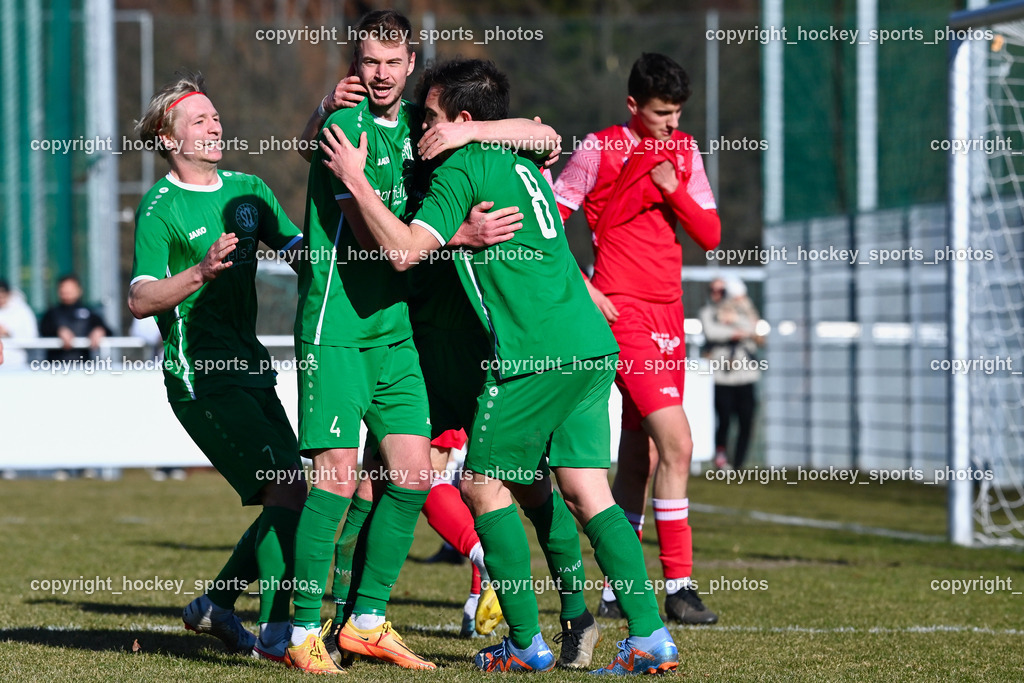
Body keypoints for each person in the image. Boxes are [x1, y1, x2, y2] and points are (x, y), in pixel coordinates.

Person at [321, 56, 679, 675]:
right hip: (589, 347)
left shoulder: (461, 164)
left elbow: (405, 253)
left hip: (527, 353)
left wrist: (355, 179)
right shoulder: (520, 162)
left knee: (481, 485)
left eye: (431, 117)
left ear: (459, 120)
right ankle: (647, 636)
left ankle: (523, 641)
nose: (419, 125)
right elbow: (545, 138)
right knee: (582, 489)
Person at [128, 71, 307, 662]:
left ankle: (217, 606)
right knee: (286, 486)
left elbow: (298, 252)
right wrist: (200, 273)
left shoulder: (250, 189)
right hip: (199, 378)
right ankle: (280, 635)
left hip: (252, 369)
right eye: (200, 119)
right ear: (168, 136)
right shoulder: (159, 208)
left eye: (216, 116)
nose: (215, 125)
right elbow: (140, 299)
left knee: (296, 488)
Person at [552, 52, 721, 625]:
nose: (671, 123)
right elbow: (545, 221)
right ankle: (678, 585)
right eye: (659, 113)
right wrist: (584, 290)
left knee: (640, 457)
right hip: (623, 316)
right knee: (678, 443)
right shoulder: (598, 149)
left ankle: (615, 589)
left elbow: (713, 236)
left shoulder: (685, 149)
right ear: (633, 106)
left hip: (670, 315)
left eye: (676, 112)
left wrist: (673, 189)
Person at [700, 277, 763, 470]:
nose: (717, 294)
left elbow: (754, 327)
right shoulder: (708, 312)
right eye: (714, 290)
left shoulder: (743, 310)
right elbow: (713, 332)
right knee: (724, 419)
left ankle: (739, 464)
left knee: (746, 420)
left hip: (746, 376)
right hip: (722, 376)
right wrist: (734, 331)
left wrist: (736, 320)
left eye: (722, 290)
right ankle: (721, 459)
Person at [39, 274, 111, 363]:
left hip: (84, 366)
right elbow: (43, 329)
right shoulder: (51, 314)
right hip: (56, 367)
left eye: (70, 288)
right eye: (63, 288)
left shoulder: (89, 313)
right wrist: (58, 331)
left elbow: (109, 331)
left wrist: (100, 330)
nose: (66, 291)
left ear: (79, 290)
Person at [0, 278, 39, 370]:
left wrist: (9, 333)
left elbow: (32, 338)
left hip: (16, 365)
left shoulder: (23, 311)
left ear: (8, 294)